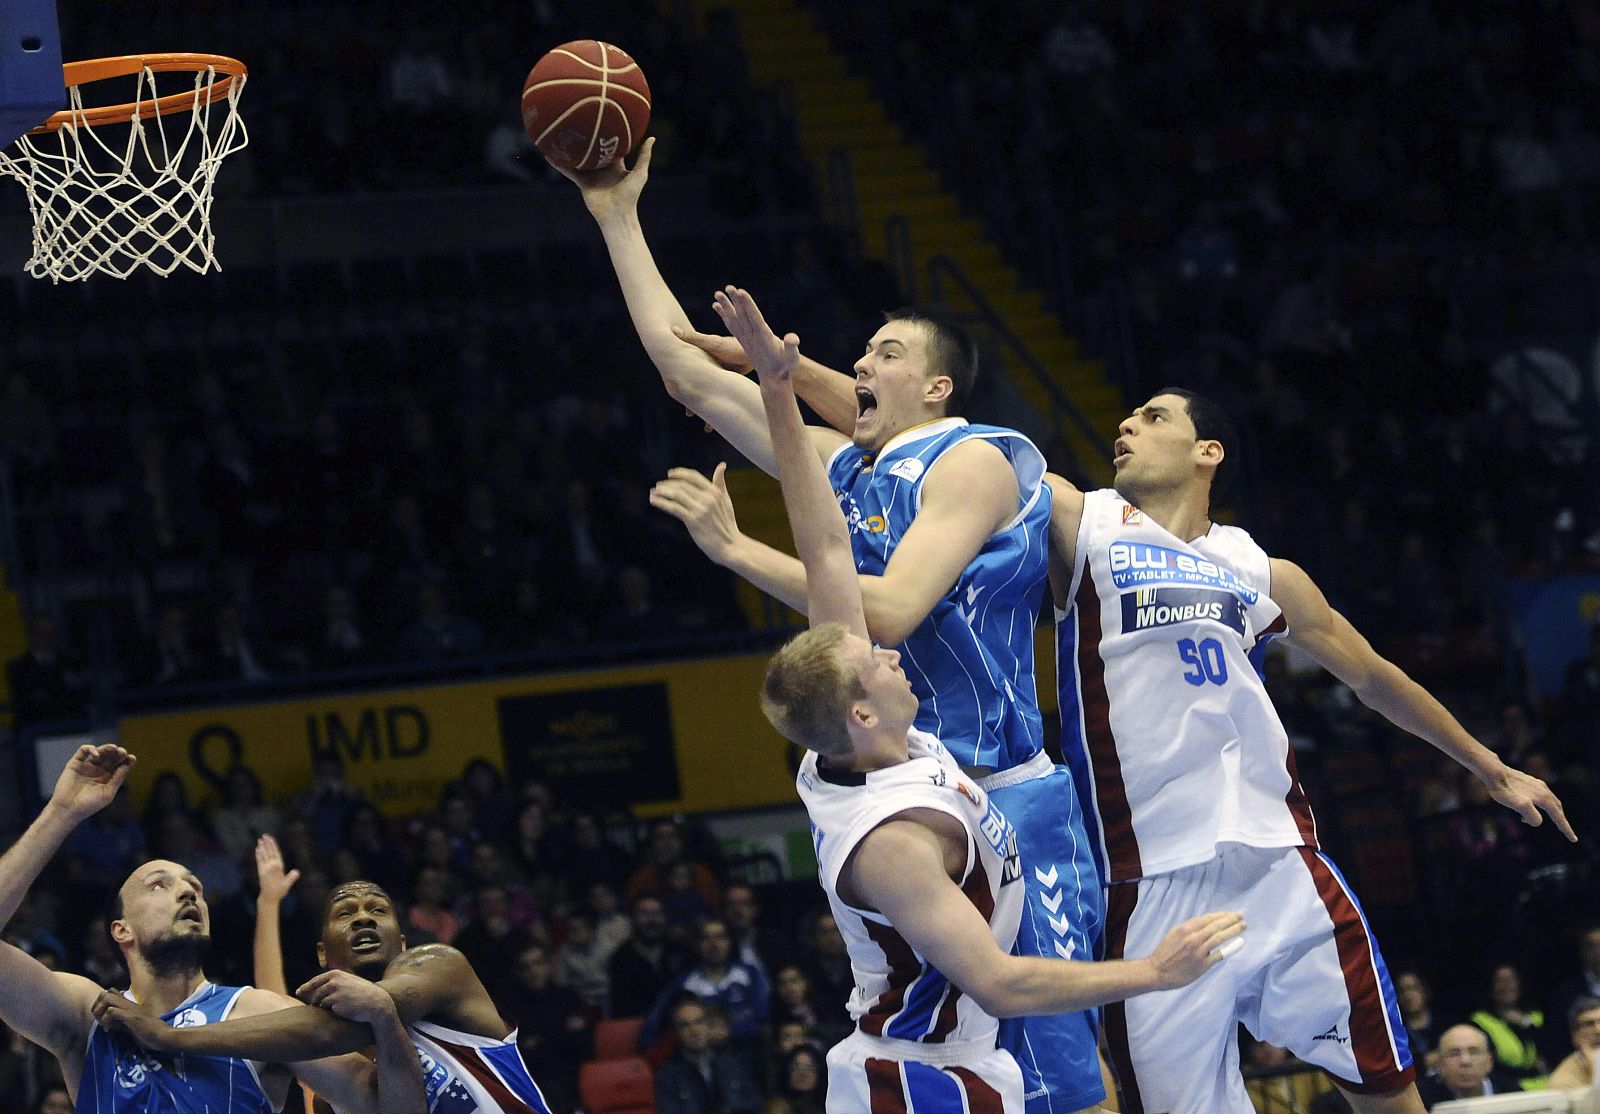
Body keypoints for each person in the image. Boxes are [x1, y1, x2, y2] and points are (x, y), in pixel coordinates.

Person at [572, 137, 1106, 1114]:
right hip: (903, 805)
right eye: (856, 356)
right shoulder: (844, 469)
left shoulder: (975, 458)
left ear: (936, 388)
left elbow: (892, 609)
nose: (860, 364)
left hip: (1007, 795)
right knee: (948, 1055)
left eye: (884, 355)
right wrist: (615, 213)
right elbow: (686, 374)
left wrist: (738, 549)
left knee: (1062, 1076)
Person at [682, 286, 1243, 1112]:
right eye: (878, 670)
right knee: (1068, 1066)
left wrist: (779, 379)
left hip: (997, 874)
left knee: (1082, 1066)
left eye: (886, 354)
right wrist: (1155, 972)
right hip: (926, 1057)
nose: (892, 662)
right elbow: (1004, 982)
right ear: (860, 711)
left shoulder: (876, 752)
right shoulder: (895, 828)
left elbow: (833, 554)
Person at [1041, 389, 1574, 1113]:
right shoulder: (1084, 522)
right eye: (1127, 417)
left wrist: (1490, 764)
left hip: (1283, 868)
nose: (1126, 425)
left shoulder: (1262, 570)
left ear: (1209, 452)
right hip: (1148, 882)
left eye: (1154, 416)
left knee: (1391, 1096)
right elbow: (947, 458)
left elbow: (1375, 678)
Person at [0, 743, 423, 1114]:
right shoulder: (88, 1016)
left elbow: (391, 1108)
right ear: (120, 930)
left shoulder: (258, 1012)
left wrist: (386, 1019)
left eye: (195, 887)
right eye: (160, 885)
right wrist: (61, 813)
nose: (187, 893)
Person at [101, 839, 555, 1113]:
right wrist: (268, 905)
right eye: (346, 913)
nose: (362, 919)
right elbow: (274, 1014)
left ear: (402, 942)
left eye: (378, 910)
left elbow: (318, 1031)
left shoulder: (439, 966)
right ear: (322, 953)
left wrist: (168, 1037)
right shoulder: (333, 1088)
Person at [654, 996, 764, 1114]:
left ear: (707, 1026)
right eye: (685, 1025)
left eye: (699, 1022)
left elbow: (755, 1103)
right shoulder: (668, 1076)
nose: (694, 1031)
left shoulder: (732, 1062)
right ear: (676, 1032)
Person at [1470, 964, 1550, 1084]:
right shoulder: (1480, 1021)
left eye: (1511, 980)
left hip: (1543, 1086)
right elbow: (1491, 1064)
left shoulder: (1535, 1016)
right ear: (1491, 987)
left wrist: (1526, 1024)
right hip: (1506, 1087)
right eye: (1499, 981)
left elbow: (1550, 1050)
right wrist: (1531, 1071)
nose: (1506, 986)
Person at [1416, 1024, 1521, 1107]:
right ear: (1439, 1065)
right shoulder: (1421, 1100)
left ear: (1489, 1062)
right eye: (1454, 1054)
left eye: (1474, 1052)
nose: (1465, 1061)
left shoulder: (1513, 1093)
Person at [1548, 996, 1600, 1090]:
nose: (1598, 1030)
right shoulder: (1563, 1081)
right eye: (1588, 1024)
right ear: (1575, 1037)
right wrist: (1596, 1068)